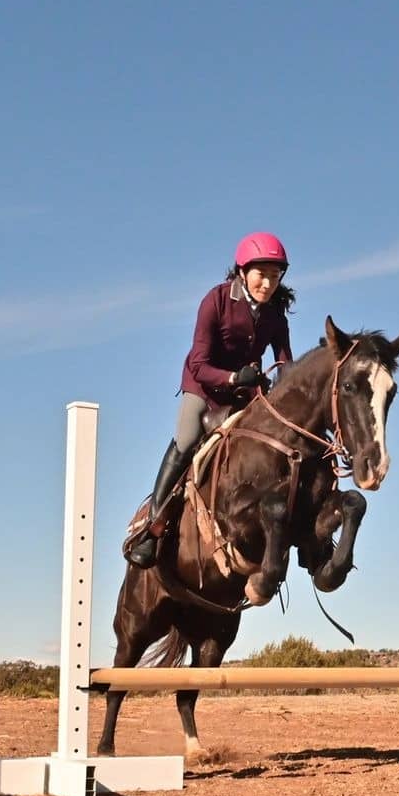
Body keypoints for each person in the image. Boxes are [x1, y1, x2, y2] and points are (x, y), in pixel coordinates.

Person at [125, 231, 295, 568]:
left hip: (244, 394)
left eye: (275, 277)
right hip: (203, 386)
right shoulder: (215, 301)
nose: (268, 283)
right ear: (243, 271)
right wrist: (233, 377)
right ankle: (152, 527)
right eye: (262, 275)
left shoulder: (276, 316)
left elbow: (285, 365)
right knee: (187, 438)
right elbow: (200, 365)